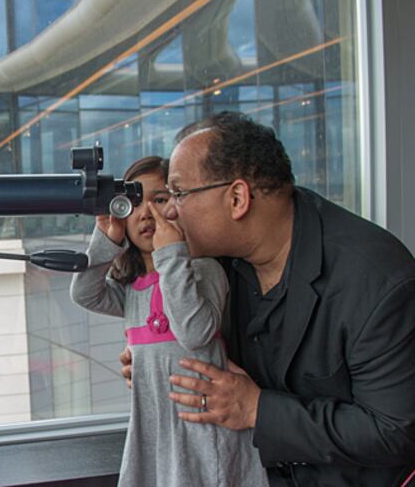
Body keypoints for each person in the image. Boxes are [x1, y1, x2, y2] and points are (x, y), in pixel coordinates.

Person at [119, 111, 415, 486]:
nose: (169, 211)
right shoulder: (213, 264)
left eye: (178, 193)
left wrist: (257, 410)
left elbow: (395, 431)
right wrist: (160, 358)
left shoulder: (375, 279)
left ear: (238, 198)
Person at [71, 155, 268, 486]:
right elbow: (84, 294)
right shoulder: (132, 290)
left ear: (179, 207)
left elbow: (194, 333)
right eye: (133, 203)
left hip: (203, 433)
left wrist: (171, 256)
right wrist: (107, 240)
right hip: (155, 435)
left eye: (159, 200)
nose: (147, 212)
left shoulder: (204, 271)